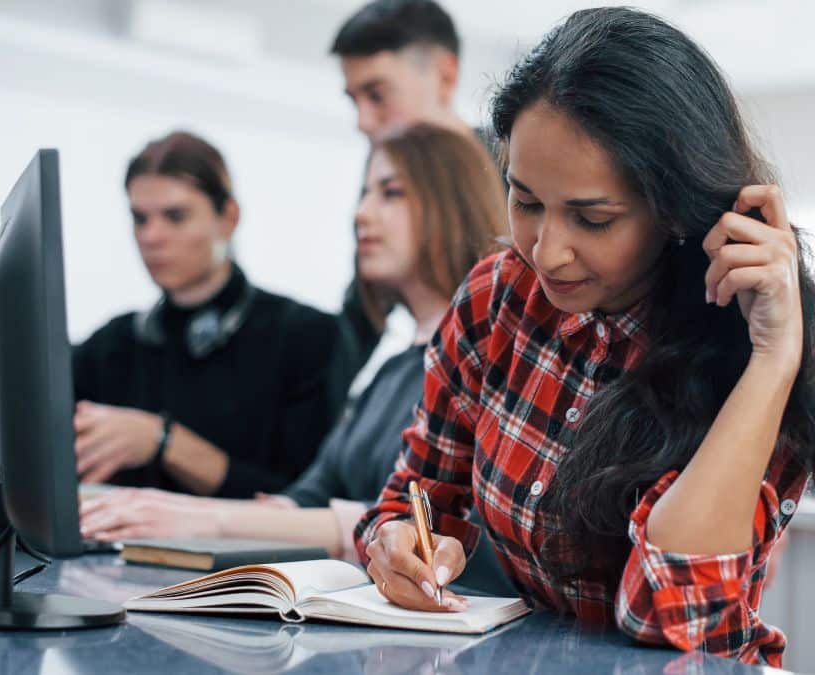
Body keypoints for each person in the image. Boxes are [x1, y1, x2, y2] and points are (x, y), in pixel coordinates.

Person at [355, 8, 815, 666]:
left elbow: (669, 615)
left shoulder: (752, 354)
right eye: (525, 203)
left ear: (676, 210)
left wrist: (775, 359)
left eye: (592, 218)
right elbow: (417, 492)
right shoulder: (499, 295)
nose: (547, 253)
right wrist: (399, 541)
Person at [80, 124, 508, 570]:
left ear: (453, 205)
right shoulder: (390, 372)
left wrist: (203, 518)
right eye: (364, 193)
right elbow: (307, 498)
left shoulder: (489, 362)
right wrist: (166, 512)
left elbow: (444, 530)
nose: (361, 213)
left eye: (391, 193)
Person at [73, 131, 376, 498]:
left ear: (228, 217)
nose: (151, 236)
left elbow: (308, 500)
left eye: (175, 216)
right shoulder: (110, 345)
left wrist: (165, 441)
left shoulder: (307, 337)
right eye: (140, 219)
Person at [331, 0, 482, 145]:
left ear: (445, 78)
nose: (363, 123)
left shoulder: (502, 163)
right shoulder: (380, 169)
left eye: (376, 96)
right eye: (354, 101)